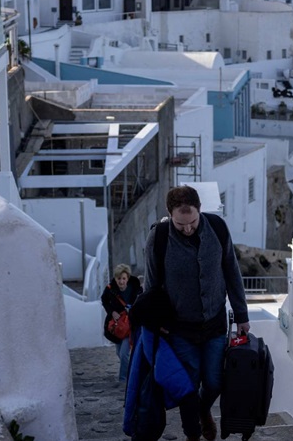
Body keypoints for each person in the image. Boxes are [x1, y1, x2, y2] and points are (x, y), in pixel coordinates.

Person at [145, 185, 249, 441]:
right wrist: (155, 323)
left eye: (192, 221)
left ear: (199, 210)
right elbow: (151, 286)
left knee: (214, 382)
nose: (188, 228)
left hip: (214, 324)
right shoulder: (158, 238)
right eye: (181, 225)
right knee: (188, 387)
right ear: (169, 215)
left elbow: (232, 272)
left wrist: (242, 314)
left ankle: (204, 411)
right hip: (179, 328)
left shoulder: (218, 228)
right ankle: (192, 433)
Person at [102, 263, 143, 382]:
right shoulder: (110, 290)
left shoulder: (135, 289)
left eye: (123, 278)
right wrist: (112, 312)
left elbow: (141, 300)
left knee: (125, 353)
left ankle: (123, 379)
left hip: (130, 325)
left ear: (127, 278)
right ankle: (132, 370)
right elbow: (104, 301)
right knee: (119, 352)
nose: (121, 281)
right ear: (115, 278)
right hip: (117, 326)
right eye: (119, 279)